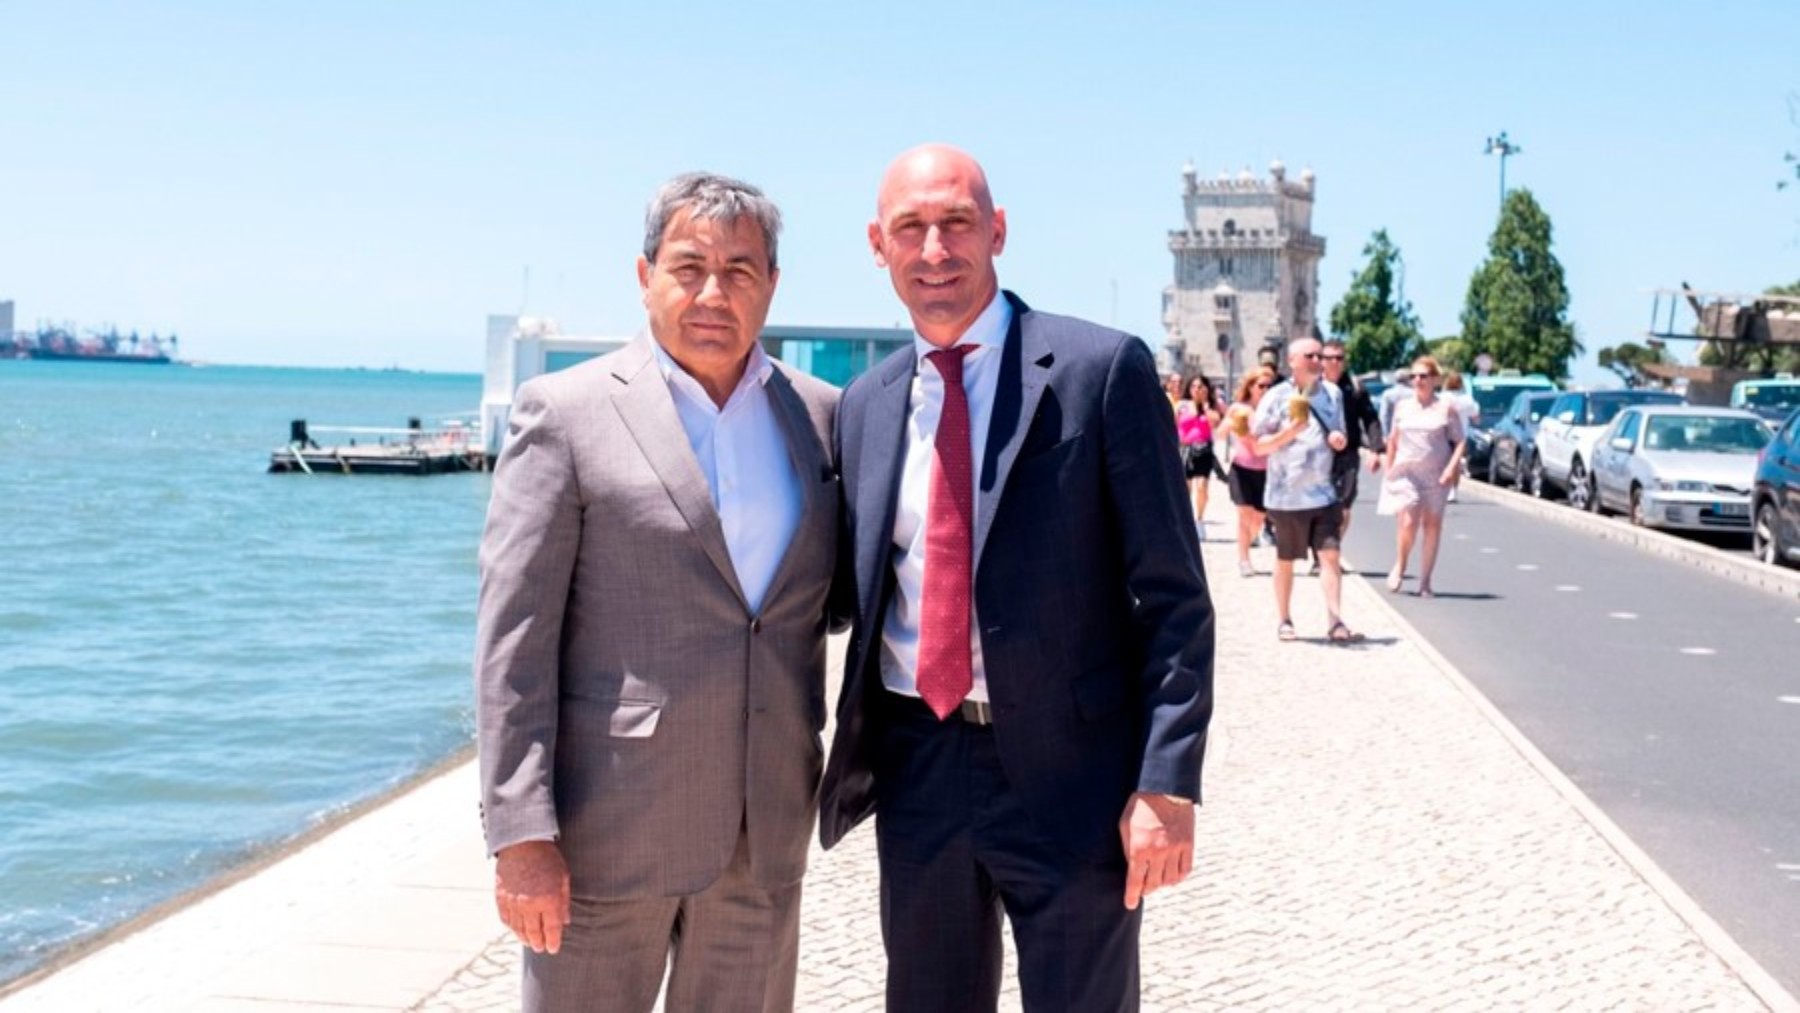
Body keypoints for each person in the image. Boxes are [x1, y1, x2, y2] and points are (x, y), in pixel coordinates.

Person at [818, 144, 1214, 1013]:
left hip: (1076, 776)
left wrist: (1168, 778)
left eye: (956, 223)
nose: (935, 250)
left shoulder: (1101, 371)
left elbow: (1175, 599)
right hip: (919, 767)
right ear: (877, 246)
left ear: (996, 231)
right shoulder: (865, 407)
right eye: (910, 229)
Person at [474, 172, 842, 1013]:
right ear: (645, 278)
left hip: (762, 838)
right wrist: (520, 833)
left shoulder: (819, 418)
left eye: (741, 270)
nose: (715, 292)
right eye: (689, 267)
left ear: (772, 286)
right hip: (604, 840)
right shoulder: (562, 415)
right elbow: (512, 642)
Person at [1253, 337, 1360, 643]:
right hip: (1286, 496)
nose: (1318, 360)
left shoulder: (1332, 393)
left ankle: (1335, 620)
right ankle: (1284, 619)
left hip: (1324, 494)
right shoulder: (1275, 397)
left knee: (1330, 555)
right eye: (1311, 355)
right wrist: (1290, 433)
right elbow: (1259, 446)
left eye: (1320, 355)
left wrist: (1337, 438)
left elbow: (1337, 429)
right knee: (1286, 559)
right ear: (1293, 361)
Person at [1379, 356, 1466, 598]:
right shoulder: (1403, 407)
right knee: (1408, 521)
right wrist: (1389, 467)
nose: (1418, 380)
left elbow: (1460, 441)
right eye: (1414, 376)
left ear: (1435, 379)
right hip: (1407, 472)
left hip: (1436, 474)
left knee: (1432, 524)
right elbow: (1393, 440)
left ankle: (1425, 581)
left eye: (1423, 376)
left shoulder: (1446, 408)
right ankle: (1401, 562)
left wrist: (1451, 468)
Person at [1319, 339, 1381, 573]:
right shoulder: (1313, 387)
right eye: (1329, 358)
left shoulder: (1355, 388)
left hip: (1348, 455)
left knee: (1343, 507)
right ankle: (1321, 556)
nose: (1334, 362)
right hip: (1319, 454)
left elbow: (1370, 419)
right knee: (1320, 506)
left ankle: (1331, 551)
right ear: (1322, 361)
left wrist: (1376, 449)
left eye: (1339, 358)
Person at [1226, 367, 1275, 578]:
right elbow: (1220, 432)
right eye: (1261, 385)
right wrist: (1229, 424)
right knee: (1244, 514)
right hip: (1241, 468)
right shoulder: (1239, 408)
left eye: (1269, 386)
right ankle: (1243, 559)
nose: (1265, 389)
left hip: (1266, 471)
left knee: (1258, 519)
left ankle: (1250, 539)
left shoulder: (1274, 411)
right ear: (1251, 387)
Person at [1176, 374, 1222, 530]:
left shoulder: (1211, 407)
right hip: (1185, 450)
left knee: (1202, 486)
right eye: (1194, 386)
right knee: (1185, 487)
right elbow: (1173, 425)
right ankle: (1186, 519)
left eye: (1201, 387)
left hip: (1204, 449)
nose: (1197, 390)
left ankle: (1200, 519)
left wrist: (1205, 406)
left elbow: (1215, 423)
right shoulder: (1182, 406)